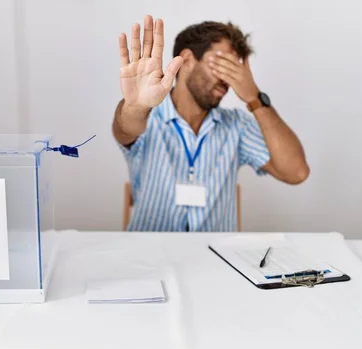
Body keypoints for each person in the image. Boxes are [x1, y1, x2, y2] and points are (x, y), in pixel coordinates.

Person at [113, 15, 309, 232]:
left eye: (236, 71)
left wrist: (254, 98)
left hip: (215, 259)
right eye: (223, 65)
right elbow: (126, 128)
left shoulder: (237, 125)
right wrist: (137, 106)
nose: (228, 80)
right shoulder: (148, 115)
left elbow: (296, 172)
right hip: (149, 259)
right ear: (187, 59)